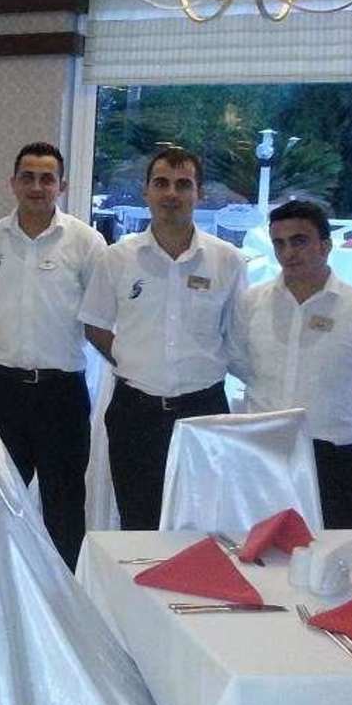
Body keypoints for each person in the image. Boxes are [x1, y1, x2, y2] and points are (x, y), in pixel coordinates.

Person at [80, 146, 246, 531]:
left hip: (203, 412)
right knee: (138, 524)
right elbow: (95, 325)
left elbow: (237, 333)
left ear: (199, 193)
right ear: (147, 192)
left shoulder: (228, 261)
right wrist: (134, 361)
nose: (172, 193)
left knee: (202, 526)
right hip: (135, 412)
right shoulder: (117, 258)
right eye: (161, 183)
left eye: (183, 184)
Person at [0, 142, 104, 570]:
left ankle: (65, 587)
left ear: (62, 186)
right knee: (0, 496)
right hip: (6, 389)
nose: (37, 186)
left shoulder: (86, 242)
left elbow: (100, 311)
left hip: (62, 393)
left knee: (64, 500)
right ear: (13, 183)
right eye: (27, 177)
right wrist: (12, 339)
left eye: (47, 178)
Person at [231, 200, 352, 529]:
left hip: (334, 456)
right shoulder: (251, 303)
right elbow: (239, 362)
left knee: (336, 554)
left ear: (325, 245)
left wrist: (336, 409)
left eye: (299, 241)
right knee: (260, 552)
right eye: (279, 243)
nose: (288, 252)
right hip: (264, 453)